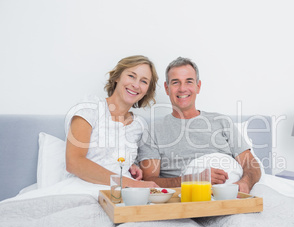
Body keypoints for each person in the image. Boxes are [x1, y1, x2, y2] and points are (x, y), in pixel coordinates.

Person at [137, 57, 261, 193]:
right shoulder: (154, 130)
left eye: (189, 81)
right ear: (167, 89)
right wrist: (192, 180)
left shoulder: (221, 121)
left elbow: (251, 164)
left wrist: (245, 183)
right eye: (175, 82)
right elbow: (150, 181)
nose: (182, 88)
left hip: (234, 196)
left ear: (198, 86)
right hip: (189, 200)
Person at [66, 55, 159, 188]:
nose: (136, 85)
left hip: (121, 193)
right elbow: (74, 163)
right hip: (82, 187)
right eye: (131, 76)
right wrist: (131, 184)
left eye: (144, 81)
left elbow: (115, 159)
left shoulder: (139, 126)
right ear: (117, 77)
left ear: (147, 90)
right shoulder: (91, 107)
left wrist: (132, 166)